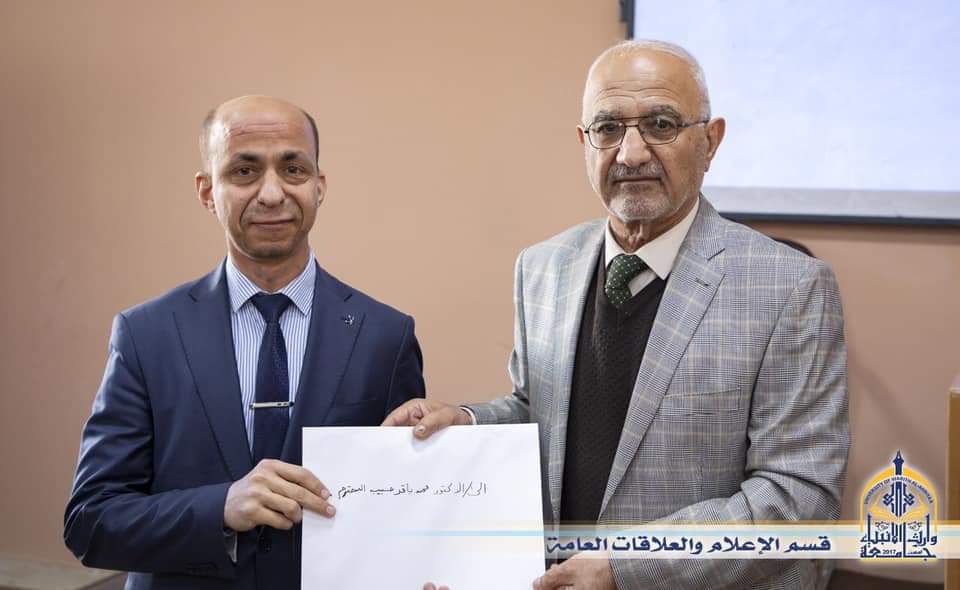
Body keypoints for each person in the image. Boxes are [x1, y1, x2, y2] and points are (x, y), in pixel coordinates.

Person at [392, 41, 849, 590]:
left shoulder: (788, 286)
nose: (631, 154)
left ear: (710, 141)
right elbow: (538, 411)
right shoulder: (542, 266)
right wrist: (465, 423)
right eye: (608, 128)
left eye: (661, 124)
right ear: (584, 143)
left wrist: (625, 566)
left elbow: (798, 498)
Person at [64, 95, 426, 590]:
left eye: (293, 169)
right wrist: (220, 507)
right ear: (207, 191)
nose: (272, 193)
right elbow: (90, 521)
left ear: (319, 186)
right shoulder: (145, 335)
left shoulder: (386, 336)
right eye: (244, 171)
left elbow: (405, 512)